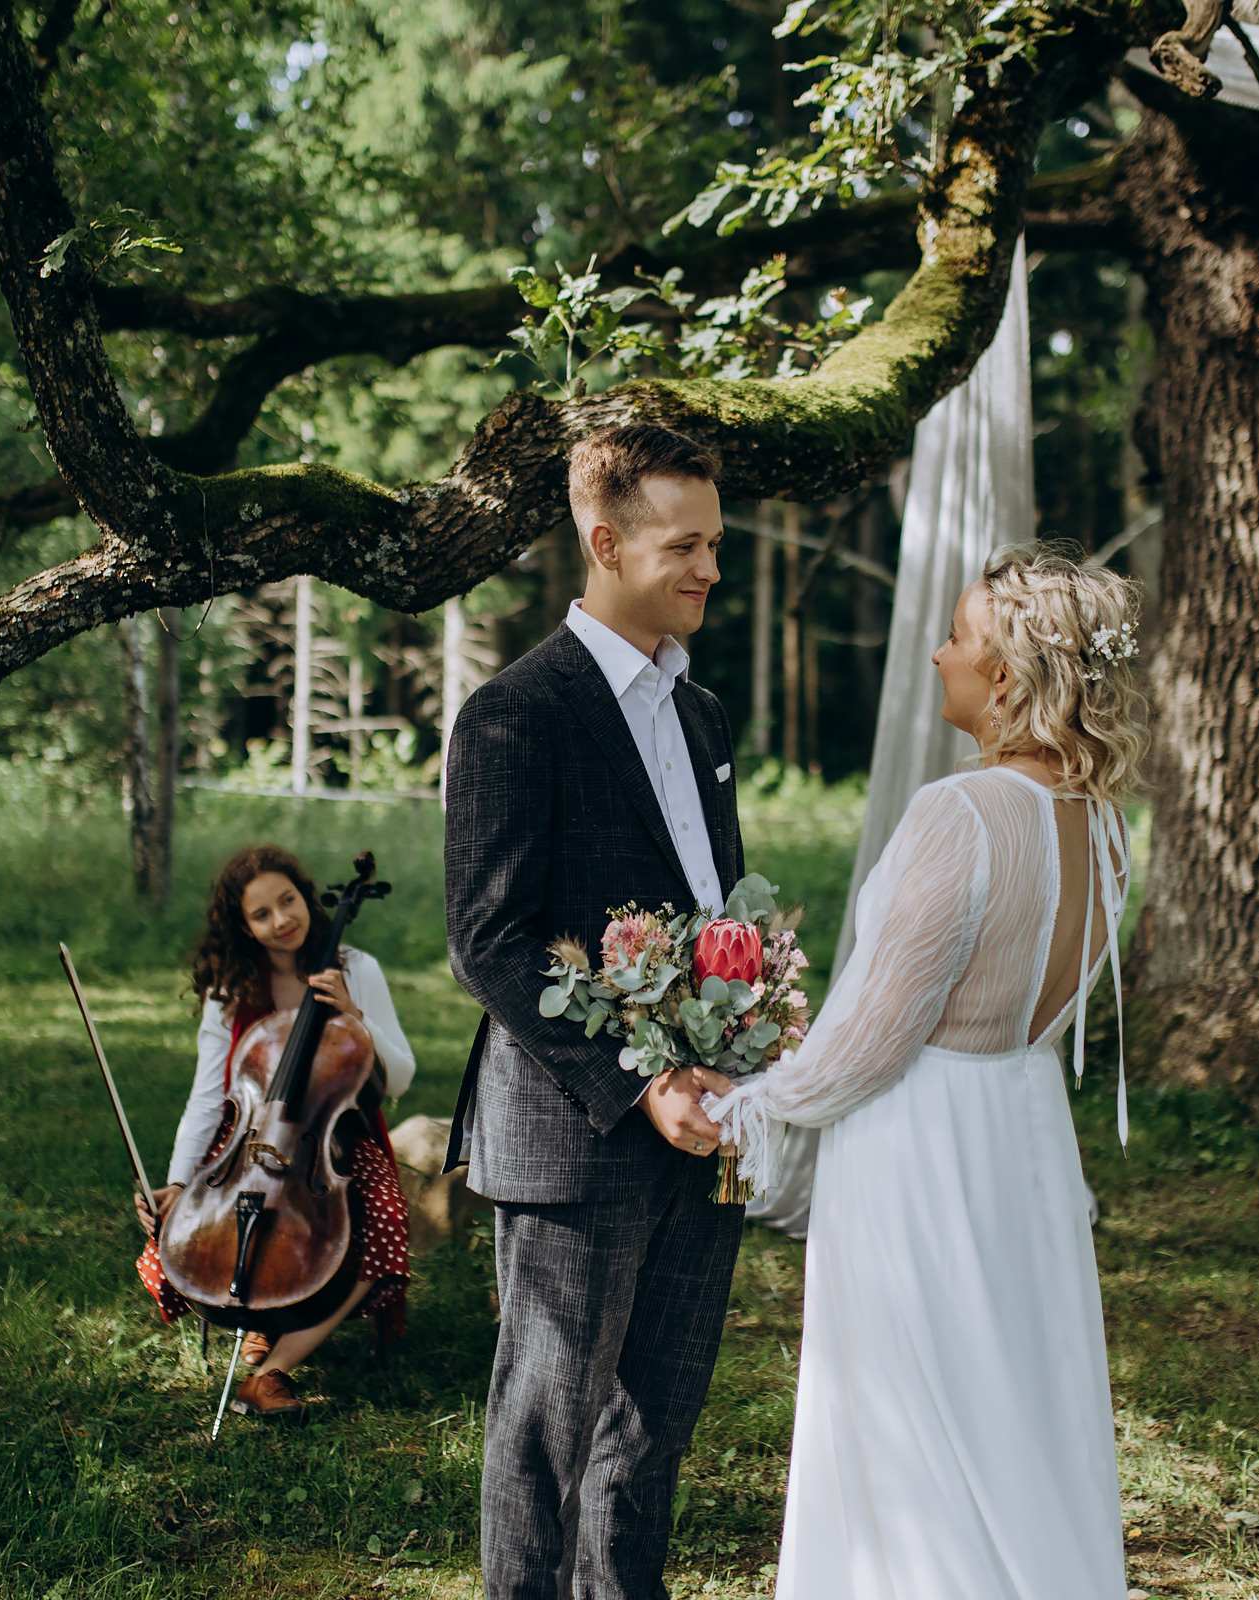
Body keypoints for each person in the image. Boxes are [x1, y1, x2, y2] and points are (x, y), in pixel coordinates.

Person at [705, 543, 1146, 1599]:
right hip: (1025, 1132)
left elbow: (876, 1035)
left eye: (956, 637)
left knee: (912, 1410)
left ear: (1004, 674)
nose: (940, 654)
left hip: (923, 1143)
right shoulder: (1101, 824)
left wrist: (753, 1102)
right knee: (1016, 1403)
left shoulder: (963, 813)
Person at [444, 422, 747, 1600]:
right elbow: (489, 940)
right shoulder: (516, 714)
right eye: (685, 546)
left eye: (714, 542)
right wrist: (641, 1078)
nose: (709, 568)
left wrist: (737, 1045)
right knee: (547, 1435)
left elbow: (714, 905)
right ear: (605, 541)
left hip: (705, 1132)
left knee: (653, 1434)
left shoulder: (702, 715)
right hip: (576, 1134)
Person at [133, 844, 417, 1424]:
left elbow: (401, 1079)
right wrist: (178, 1182)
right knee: (187, 1233)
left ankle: (271, 1372)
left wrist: (355, 1016)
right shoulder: (231, 986)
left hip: (332, 1141)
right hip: (250, 1141)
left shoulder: (356, 969)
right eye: (261, 914)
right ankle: (264, 1313)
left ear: (307, 897)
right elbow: (207, 1096)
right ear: (243, 926)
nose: (281, 920)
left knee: (385, 1220)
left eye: (288, 901)